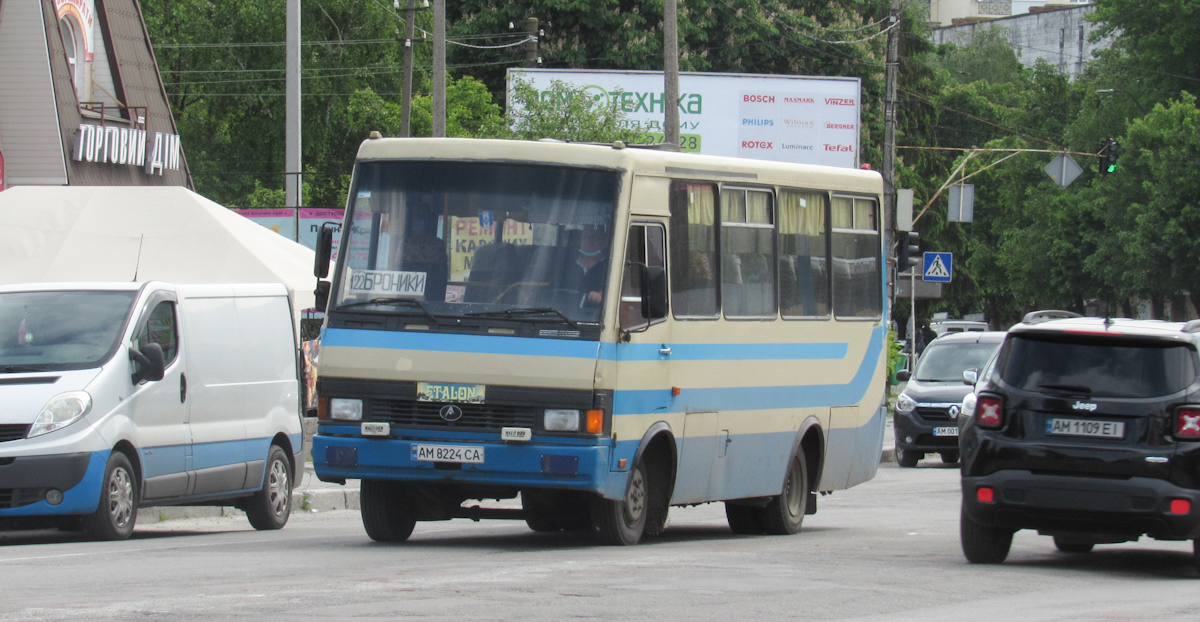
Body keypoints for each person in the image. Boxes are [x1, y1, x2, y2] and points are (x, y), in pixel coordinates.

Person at [561, 225, 609, 307]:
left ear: (604, 242)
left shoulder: (611, 266)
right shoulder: (565, 264)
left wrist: (602, 294)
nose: (589, 240)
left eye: (594, 237)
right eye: (585, 236)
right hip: (561, 313)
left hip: (594, 316)